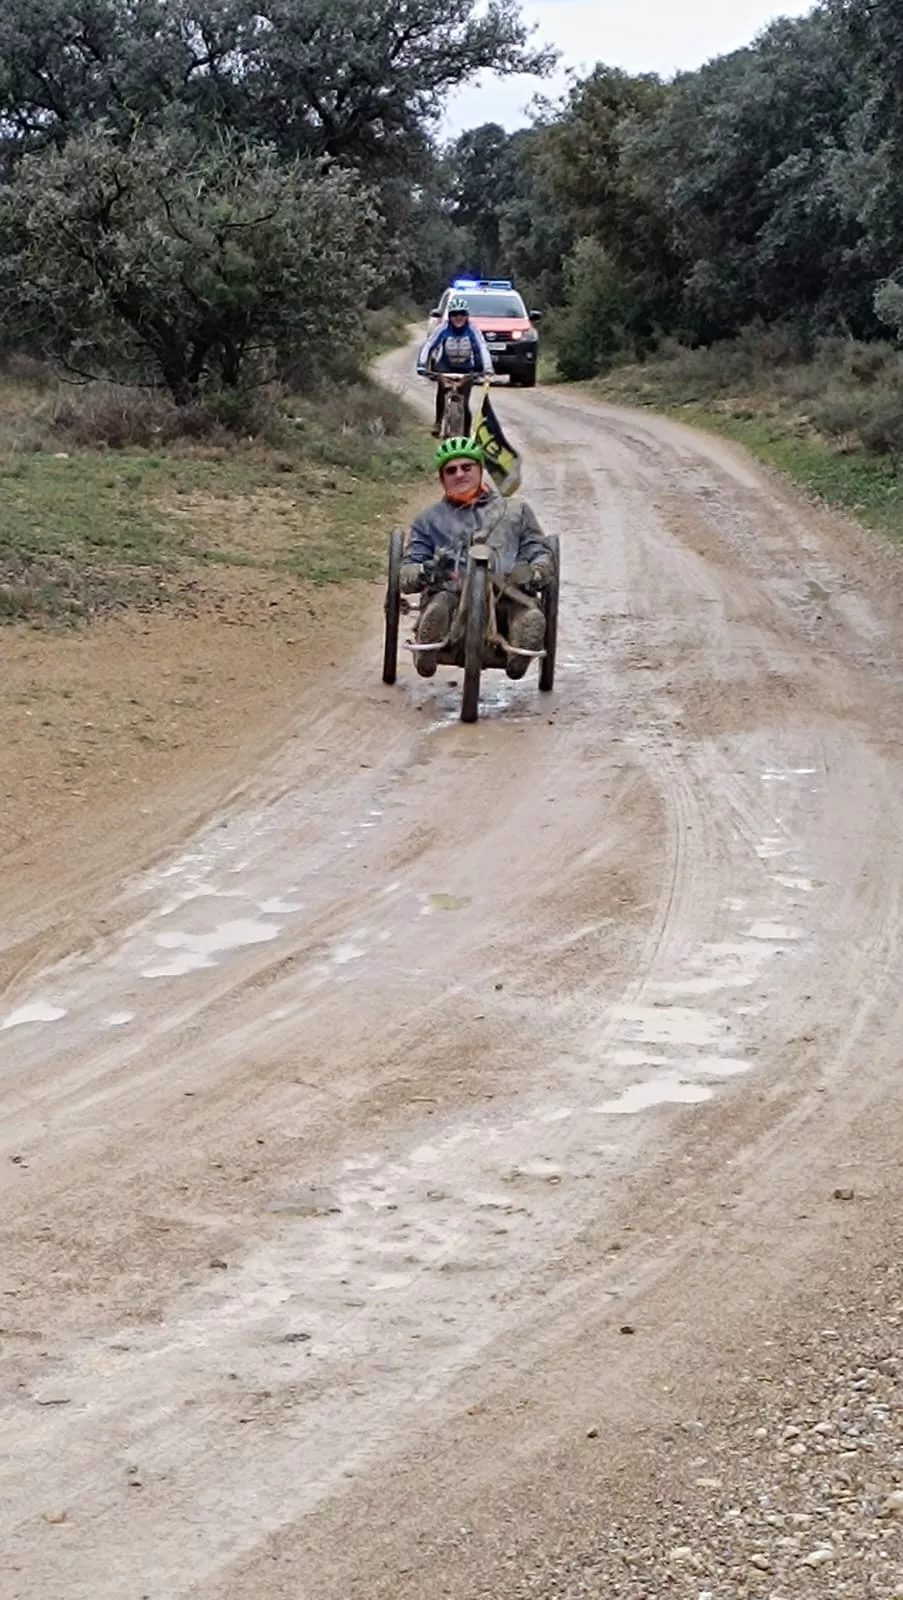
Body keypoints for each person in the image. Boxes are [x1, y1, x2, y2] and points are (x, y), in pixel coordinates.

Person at [400, 436, 554, 681]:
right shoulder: (428, 521)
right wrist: (423, 571)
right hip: (451, 593)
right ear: (442, 478)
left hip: (506, 592)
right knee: (440, 603)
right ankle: (430, 640)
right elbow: (407, 570)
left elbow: (538, 549)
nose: (460, 474)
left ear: (480, 470)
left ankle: (520, 647)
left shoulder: (516, 511)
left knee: (526, 611)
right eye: (451, 470)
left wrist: (536, 571)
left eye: (466, 467)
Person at [417, 295, 493, 436]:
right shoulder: (442, 329)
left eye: (462, 314)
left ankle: (466, 435)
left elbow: (482, 347)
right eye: (454, 314)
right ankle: (438, 422)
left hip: (466, 369)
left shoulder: (473, 330)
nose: (458, 317)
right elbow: (429, 345)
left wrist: (487, 368)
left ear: (467, 316)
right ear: (450, 316)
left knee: (464, 404)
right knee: (442, 391)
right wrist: (422, 364)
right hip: (445, 368)